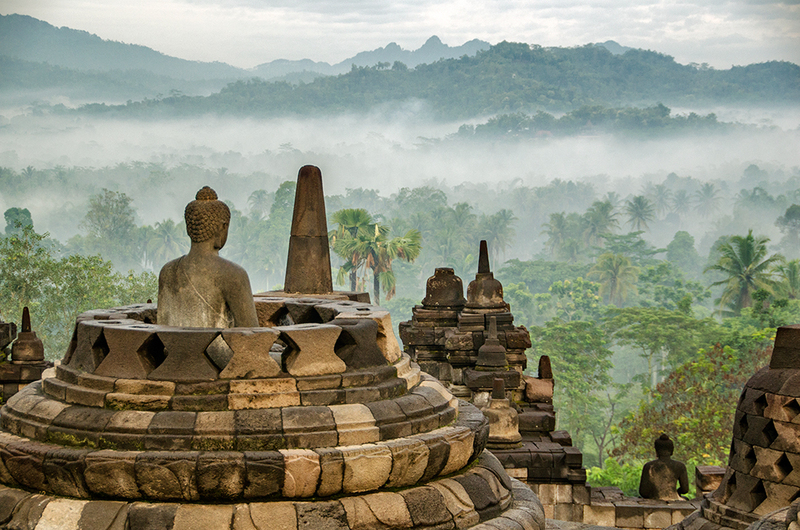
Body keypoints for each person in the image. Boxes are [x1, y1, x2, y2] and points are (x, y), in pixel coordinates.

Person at [157, 186, 258, 328]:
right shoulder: (233, 275)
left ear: (189, 227)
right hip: (215, 350)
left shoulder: (167, 271)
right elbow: (251, 334)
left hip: (172, 350)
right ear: (222, 227)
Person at [639, 433, 690, 501]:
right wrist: (676, 491)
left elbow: (643, 492)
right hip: (674, 498)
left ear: (656, 451)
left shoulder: (649, 467)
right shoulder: (680, 466)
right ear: (671, 451)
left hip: (654, 499)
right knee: (686, 499)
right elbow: (685, 489)